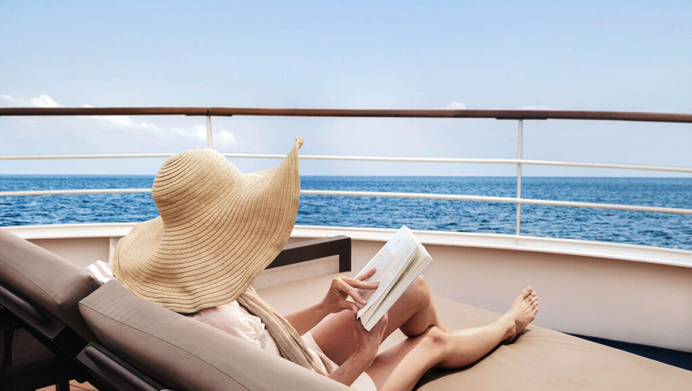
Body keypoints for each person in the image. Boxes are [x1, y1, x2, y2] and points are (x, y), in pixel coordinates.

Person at [112, 137, 539, 391]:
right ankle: (505, 327)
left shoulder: (198, 294)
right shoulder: (219, 324)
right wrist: (366, 355)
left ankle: (448, 350)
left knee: (412, 289)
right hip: (311, 380)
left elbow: (263, 336)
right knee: (431, 344)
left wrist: (324, 306)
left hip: (293, 358)